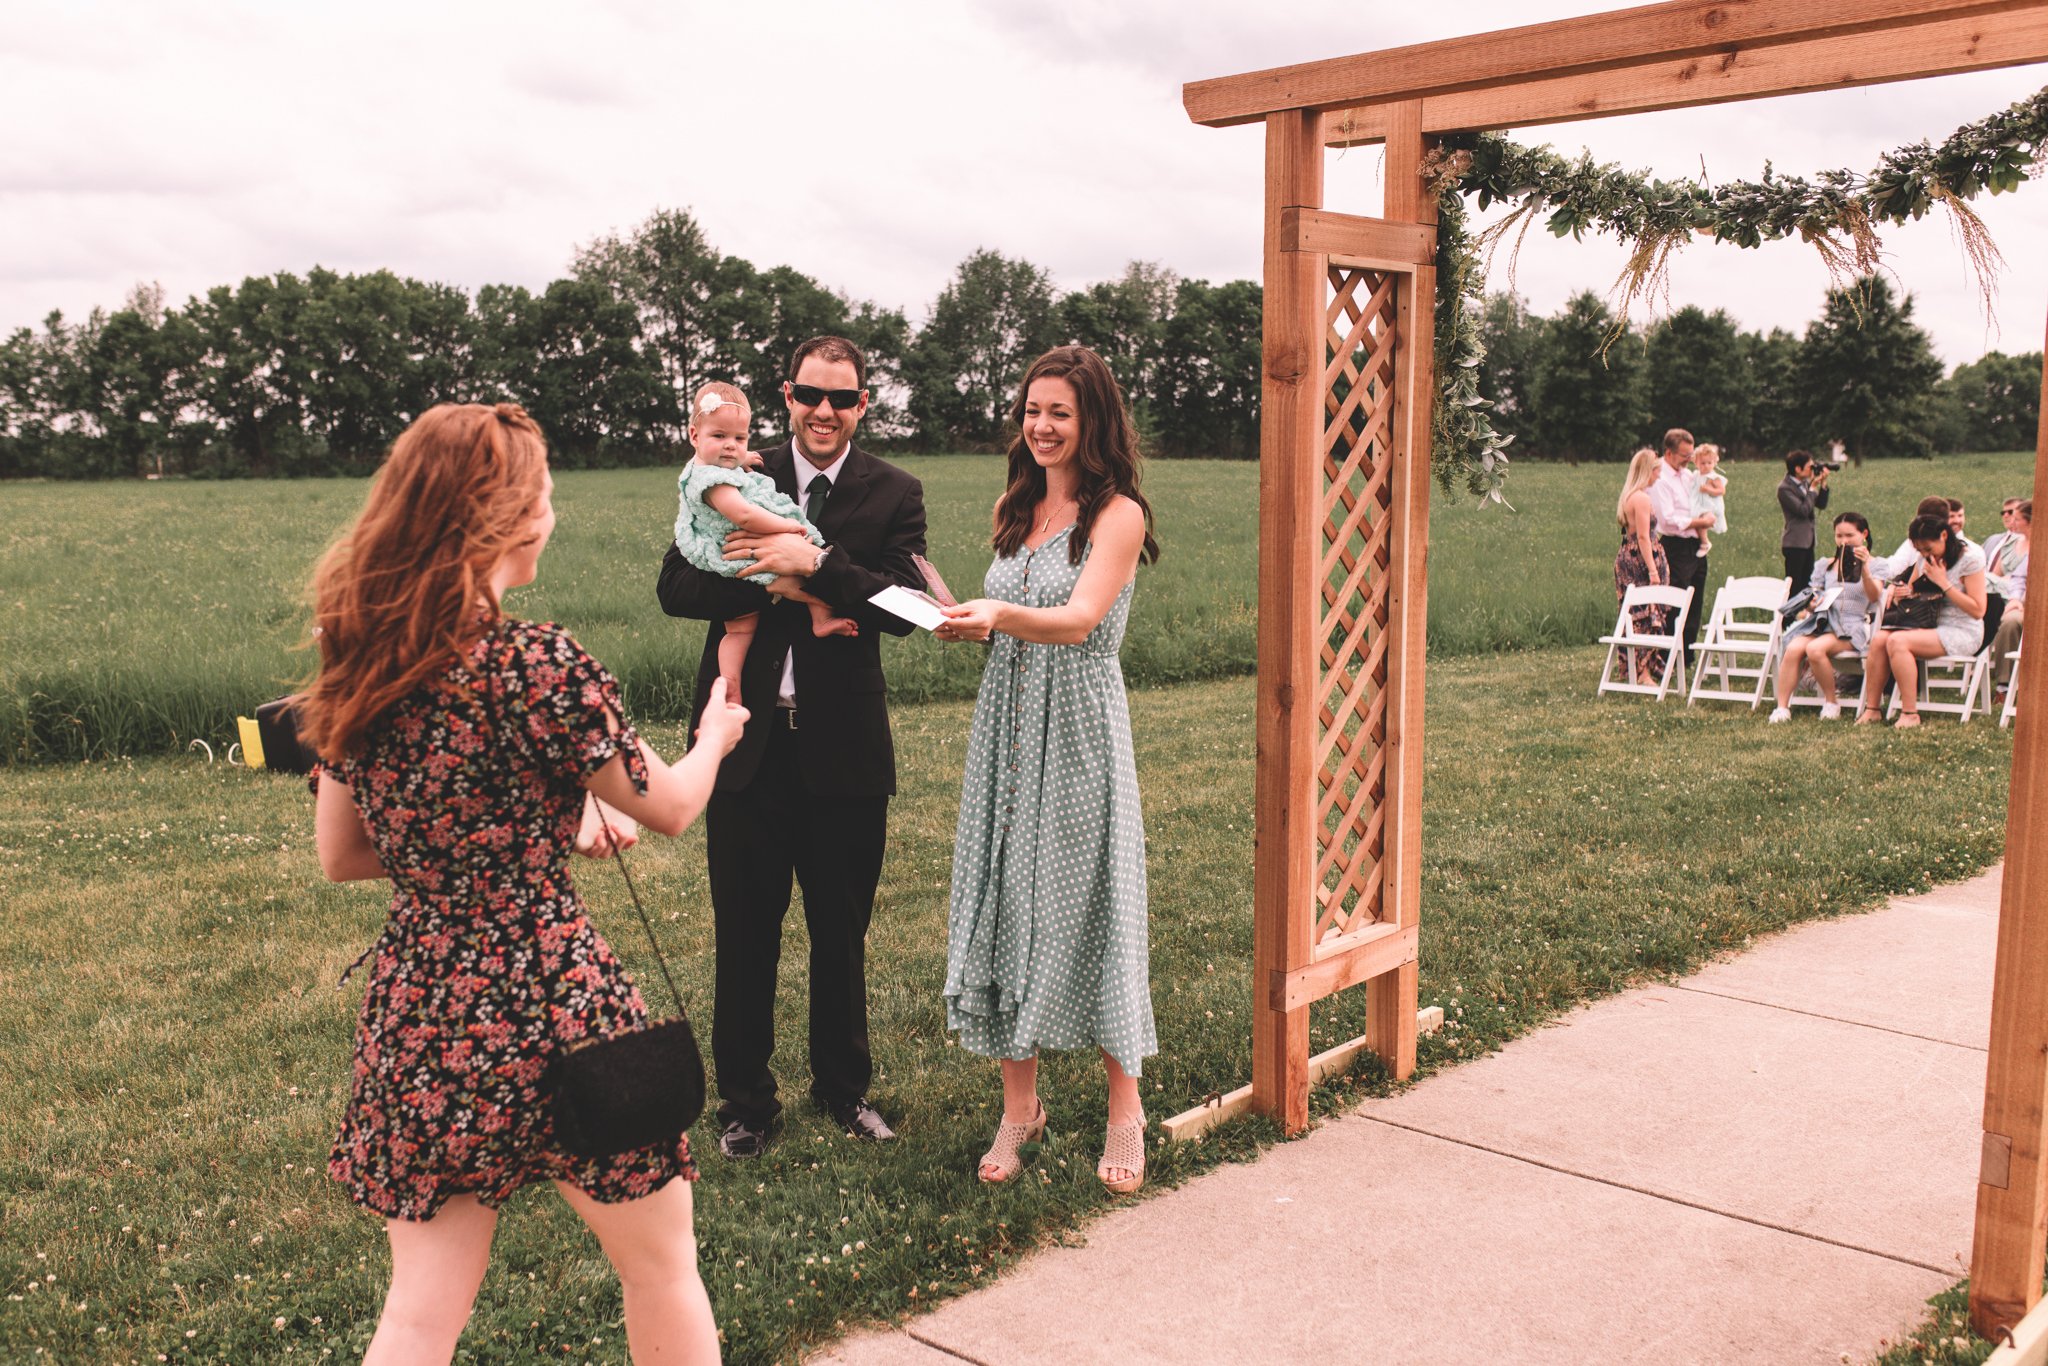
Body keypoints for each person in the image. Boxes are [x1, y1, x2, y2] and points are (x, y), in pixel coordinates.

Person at [302, 403, 745, 1365]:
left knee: (420, 1310)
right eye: (544, 493)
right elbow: (667, 807)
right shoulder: (535, 665)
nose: (553, 511)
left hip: (423, 1013)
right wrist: (714, 737)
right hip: (557, 1001)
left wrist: (520, 827)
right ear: (505, 517)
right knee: (661, 1267)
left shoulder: (361, 659)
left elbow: (345, 853)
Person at [656, 335, 928, 1159]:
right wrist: (760, 572)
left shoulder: (896, 491)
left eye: (842, 400)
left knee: (841, 935)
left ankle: (845, 1093)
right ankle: (746, 1105)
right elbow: (676, 587)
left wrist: (812, 563)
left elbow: (905, 607)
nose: (824, 411)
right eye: (811, 394)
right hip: (746, 746)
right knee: (745, 933)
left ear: (863, 407)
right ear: (787, 394)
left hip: (844, 747)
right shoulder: (736, 467)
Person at [933, 345, 1160, 1195]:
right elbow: (1020, 617)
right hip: (1007, 729)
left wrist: (999, 612)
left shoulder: (1118, 515)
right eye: (1032, 410)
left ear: (1093, 420)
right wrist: (971, 619)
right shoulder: (1014, 504)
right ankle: (1019, 1108)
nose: (1042, 426)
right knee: (1004, 894)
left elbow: (1078, 618)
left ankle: (1123, 1110)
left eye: (1059, 412)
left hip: (1079, 731)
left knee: (1095, 898)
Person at [672, 380, 857, 693]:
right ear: (694, 436)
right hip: (737, 549)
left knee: (740, 630)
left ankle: (732, 680)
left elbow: (719, 460)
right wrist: (785, 527)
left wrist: (738, 460)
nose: (731, 446)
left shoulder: (713, 465)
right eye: (719, 436)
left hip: (834, 693)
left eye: (739, 438)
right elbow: (744, 515)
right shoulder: (711, 482)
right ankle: (817, 621)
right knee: (802, 578)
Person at [1859, 512, 1988, 728]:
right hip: (1926, 623)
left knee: (1897, 641)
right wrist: (1904, 593)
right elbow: (1913, 592)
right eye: (1919, 550)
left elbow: (1978, 610)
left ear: (1944, 535)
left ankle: (1910, 713)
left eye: (1928, 548)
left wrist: (1943, 582)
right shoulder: (1924, 558)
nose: (1925, 554)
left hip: (1962, 629)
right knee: (1881, 638)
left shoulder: (1970, 559)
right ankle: (1872, 709)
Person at [1768, 511, 1882, 721]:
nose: (1844, 541)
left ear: (1864, 534)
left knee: (1815, 649)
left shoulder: (1876, 565)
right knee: (1793, 647)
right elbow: (1815, 591)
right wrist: (1811, 603)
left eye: (1849, 535)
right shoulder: (1826, 564)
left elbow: (1875, 596)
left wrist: (1864, 568)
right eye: (1839, 536)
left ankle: (1831, 702)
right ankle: (1782, 707)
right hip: (1822, 622)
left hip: (1851, 626)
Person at [1648, 427, 1715, 662]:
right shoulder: (1660, 479)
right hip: (1675, 546)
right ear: (1668, 453)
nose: (1689, 460)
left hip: (1695, 543)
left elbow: (1701, 498)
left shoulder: (1688, 476)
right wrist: (1699, 521)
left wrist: (1709, 515)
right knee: (1675, 601)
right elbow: (1667, 519)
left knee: (1695, 598)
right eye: (1684, 455)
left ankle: (1686, 654)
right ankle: (1666, 656)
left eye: (1690, 455)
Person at [1611, 446, 1672, 685]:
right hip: (1640, 561)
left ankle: (1640, 669)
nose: (1658, 475)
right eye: (1656, 470)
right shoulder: (1642, 499)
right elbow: (1644, 537)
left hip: (1628, 557)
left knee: (1634, 613)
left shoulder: (1629, 496)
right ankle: (1643, 671)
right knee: (1645, 613)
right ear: (1648, 470)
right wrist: (1653, 570)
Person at [1988, 500, 2032, 702]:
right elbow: (2019, 578)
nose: (2012, 521)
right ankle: (2005, 686)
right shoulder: (2017, 546)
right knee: (2010, 620)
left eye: (2017, 517)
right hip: (2025, 606)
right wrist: (2015, 599)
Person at [1776, 448, 1832, 587]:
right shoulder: (1785, 488)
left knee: (1808, 584)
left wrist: (1823, 484)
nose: (1812, 470)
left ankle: (1805, 609)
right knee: (1794, 585)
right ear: (1798, 469)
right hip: (1795, 543)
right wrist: (1812, 488)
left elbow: (1820, 504)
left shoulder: (1806, 483)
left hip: (1808, 541)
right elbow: (1803, 510)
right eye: (1809, 467)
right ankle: (1791, 609)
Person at [1687, 441, 1728, 558]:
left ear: (1715, 462)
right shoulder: (1696, 474)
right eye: (1702, 463)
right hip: (1699, 503)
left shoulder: (1714, 477)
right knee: (1696, 520)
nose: (1706, 466)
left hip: (1710, 505)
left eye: (1709, 463)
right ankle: (1701, 540)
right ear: (1697, 463)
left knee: (1702, 521)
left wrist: (1709, 490)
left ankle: (1705, 543)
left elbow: (1721, 491)